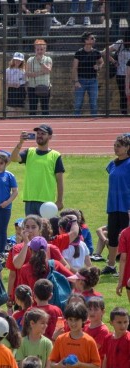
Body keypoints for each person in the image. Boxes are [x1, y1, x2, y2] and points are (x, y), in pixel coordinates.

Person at [13, 124, 65, 215]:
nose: (39, 135)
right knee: (31, 228)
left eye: (43, 133)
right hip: (30, 200)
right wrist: (20, 143)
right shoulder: (29, 152)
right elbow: (13, 158)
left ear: (50, 137)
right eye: (38, 133)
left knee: (46, 228)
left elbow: (59, 180)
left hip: (47, 201)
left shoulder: (55, 155)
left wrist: (59, 200)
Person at [105, 134, 130, 275]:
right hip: (113, 205)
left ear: (127, 148)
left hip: (127, 207)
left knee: (127, 237)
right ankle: (111, 265)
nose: (115, 148)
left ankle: (127, 266)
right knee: (113, 235)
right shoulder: (112, 164)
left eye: (119, 146)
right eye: (115, 146)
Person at [73, 32, 104, 116]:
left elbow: (102, 62)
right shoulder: (79, 53)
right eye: (92, 38)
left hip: (93, 81)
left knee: (93, 103)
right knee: (78, 103)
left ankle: (94, 123)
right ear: (86, 40)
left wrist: (98, 67)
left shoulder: (96, 52)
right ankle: (75, 122)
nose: (94, 39)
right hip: (81, 80)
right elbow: (75, 68)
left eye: (93, 38)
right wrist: (76, 81)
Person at [26, 39, 53, 116]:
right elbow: (28, 73)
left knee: (45, 108)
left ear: (45, 49)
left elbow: (48, 70)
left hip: (45, 86)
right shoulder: (30, 60)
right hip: (32, 86)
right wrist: (41, 73)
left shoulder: (48, 59)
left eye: (41, 49)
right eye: (38, 49)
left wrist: (40, 62)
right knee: (32, 108)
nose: (40, 51)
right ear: (35, 49)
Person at [109, 31, 130, 115]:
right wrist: (114, 62)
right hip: (121, 73)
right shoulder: (120, 43)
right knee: (123, 95)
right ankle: (124, 113)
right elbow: (105, 51)